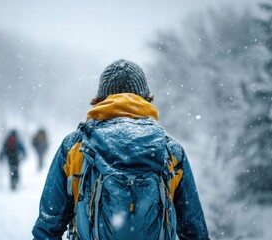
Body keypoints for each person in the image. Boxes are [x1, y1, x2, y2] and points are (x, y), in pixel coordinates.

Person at [32, 59, 209, 239]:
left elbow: (48, 226)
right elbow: (195, 232)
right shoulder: (171, 151)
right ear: (146, 97)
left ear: (100, 99)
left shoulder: (75, 147)